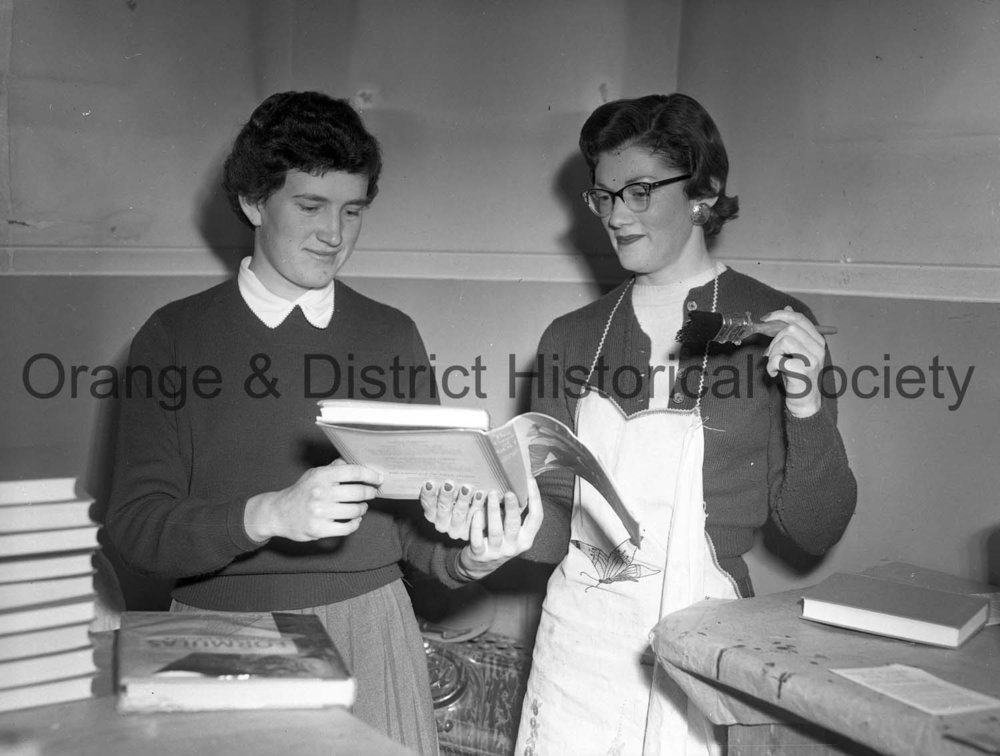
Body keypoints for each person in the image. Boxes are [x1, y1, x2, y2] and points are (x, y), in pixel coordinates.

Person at [104, 90, 540, 755]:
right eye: (310, 206)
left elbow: (418, 536)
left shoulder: (391, 335)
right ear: (254, 202)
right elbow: (135, 529)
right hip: (225, 635)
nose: (333, 233)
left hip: (373, 630)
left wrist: (469, 555)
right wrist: (269, 514)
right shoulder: (173, 336)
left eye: (352, 210)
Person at [510, 93, 858, 755]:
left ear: (703, 193)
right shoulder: (570, 338)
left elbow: (817, 529)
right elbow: (555, 525)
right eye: (604, 196)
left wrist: (807, 402)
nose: (616, 216)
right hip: (579, 647)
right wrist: (498, 529)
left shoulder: (773, 327)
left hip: (702, 645)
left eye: (639, 192)